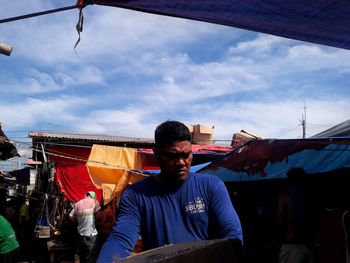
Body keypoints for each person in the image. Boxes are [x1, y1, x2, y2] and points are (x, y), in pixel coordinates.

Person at [97, 120, 243, 262]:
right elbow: (121, 239)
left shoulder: (211, 186)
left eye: (186, 155)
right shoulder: (136, 195)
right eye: (172, 156)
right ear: (157, 154)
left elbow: (232, 233)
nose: (181, 162)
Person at [276, 168, 317, 263]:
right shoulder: (309, 195)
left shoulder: (285, 196)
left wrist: (277, 241)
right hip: (307, 244)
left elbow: (279, 220)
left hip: (291, 245)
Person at [69, 191, 101, 263]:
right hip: (91, 234)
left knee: (78, 254)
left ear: (86, 195)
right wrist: (94, 221)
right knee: (91, 256)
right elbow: (99, 215)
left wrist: (77, 221)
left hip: (79, 233)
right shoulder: (94, 201)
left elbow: (70, 216)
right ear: (92, 196)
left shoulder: (77, 204)